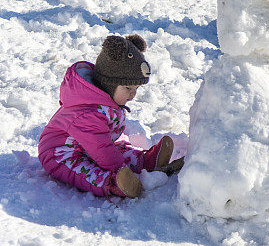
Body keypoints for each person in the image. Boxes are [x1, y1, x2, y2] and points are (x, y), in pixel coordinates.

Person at [38, 34, 174, 198]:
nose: (132, 95)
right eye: (128, 89)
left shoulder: (105, 99)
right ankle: (115, 183)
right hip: (60, 154)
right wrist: (119, 168)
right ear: (110, 84)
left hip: (87, 147)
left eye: (136, 89)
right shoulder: (86, 113)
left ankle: (145, 161)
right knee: (86, 170)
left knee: (117, 150)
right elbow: (101, 150)